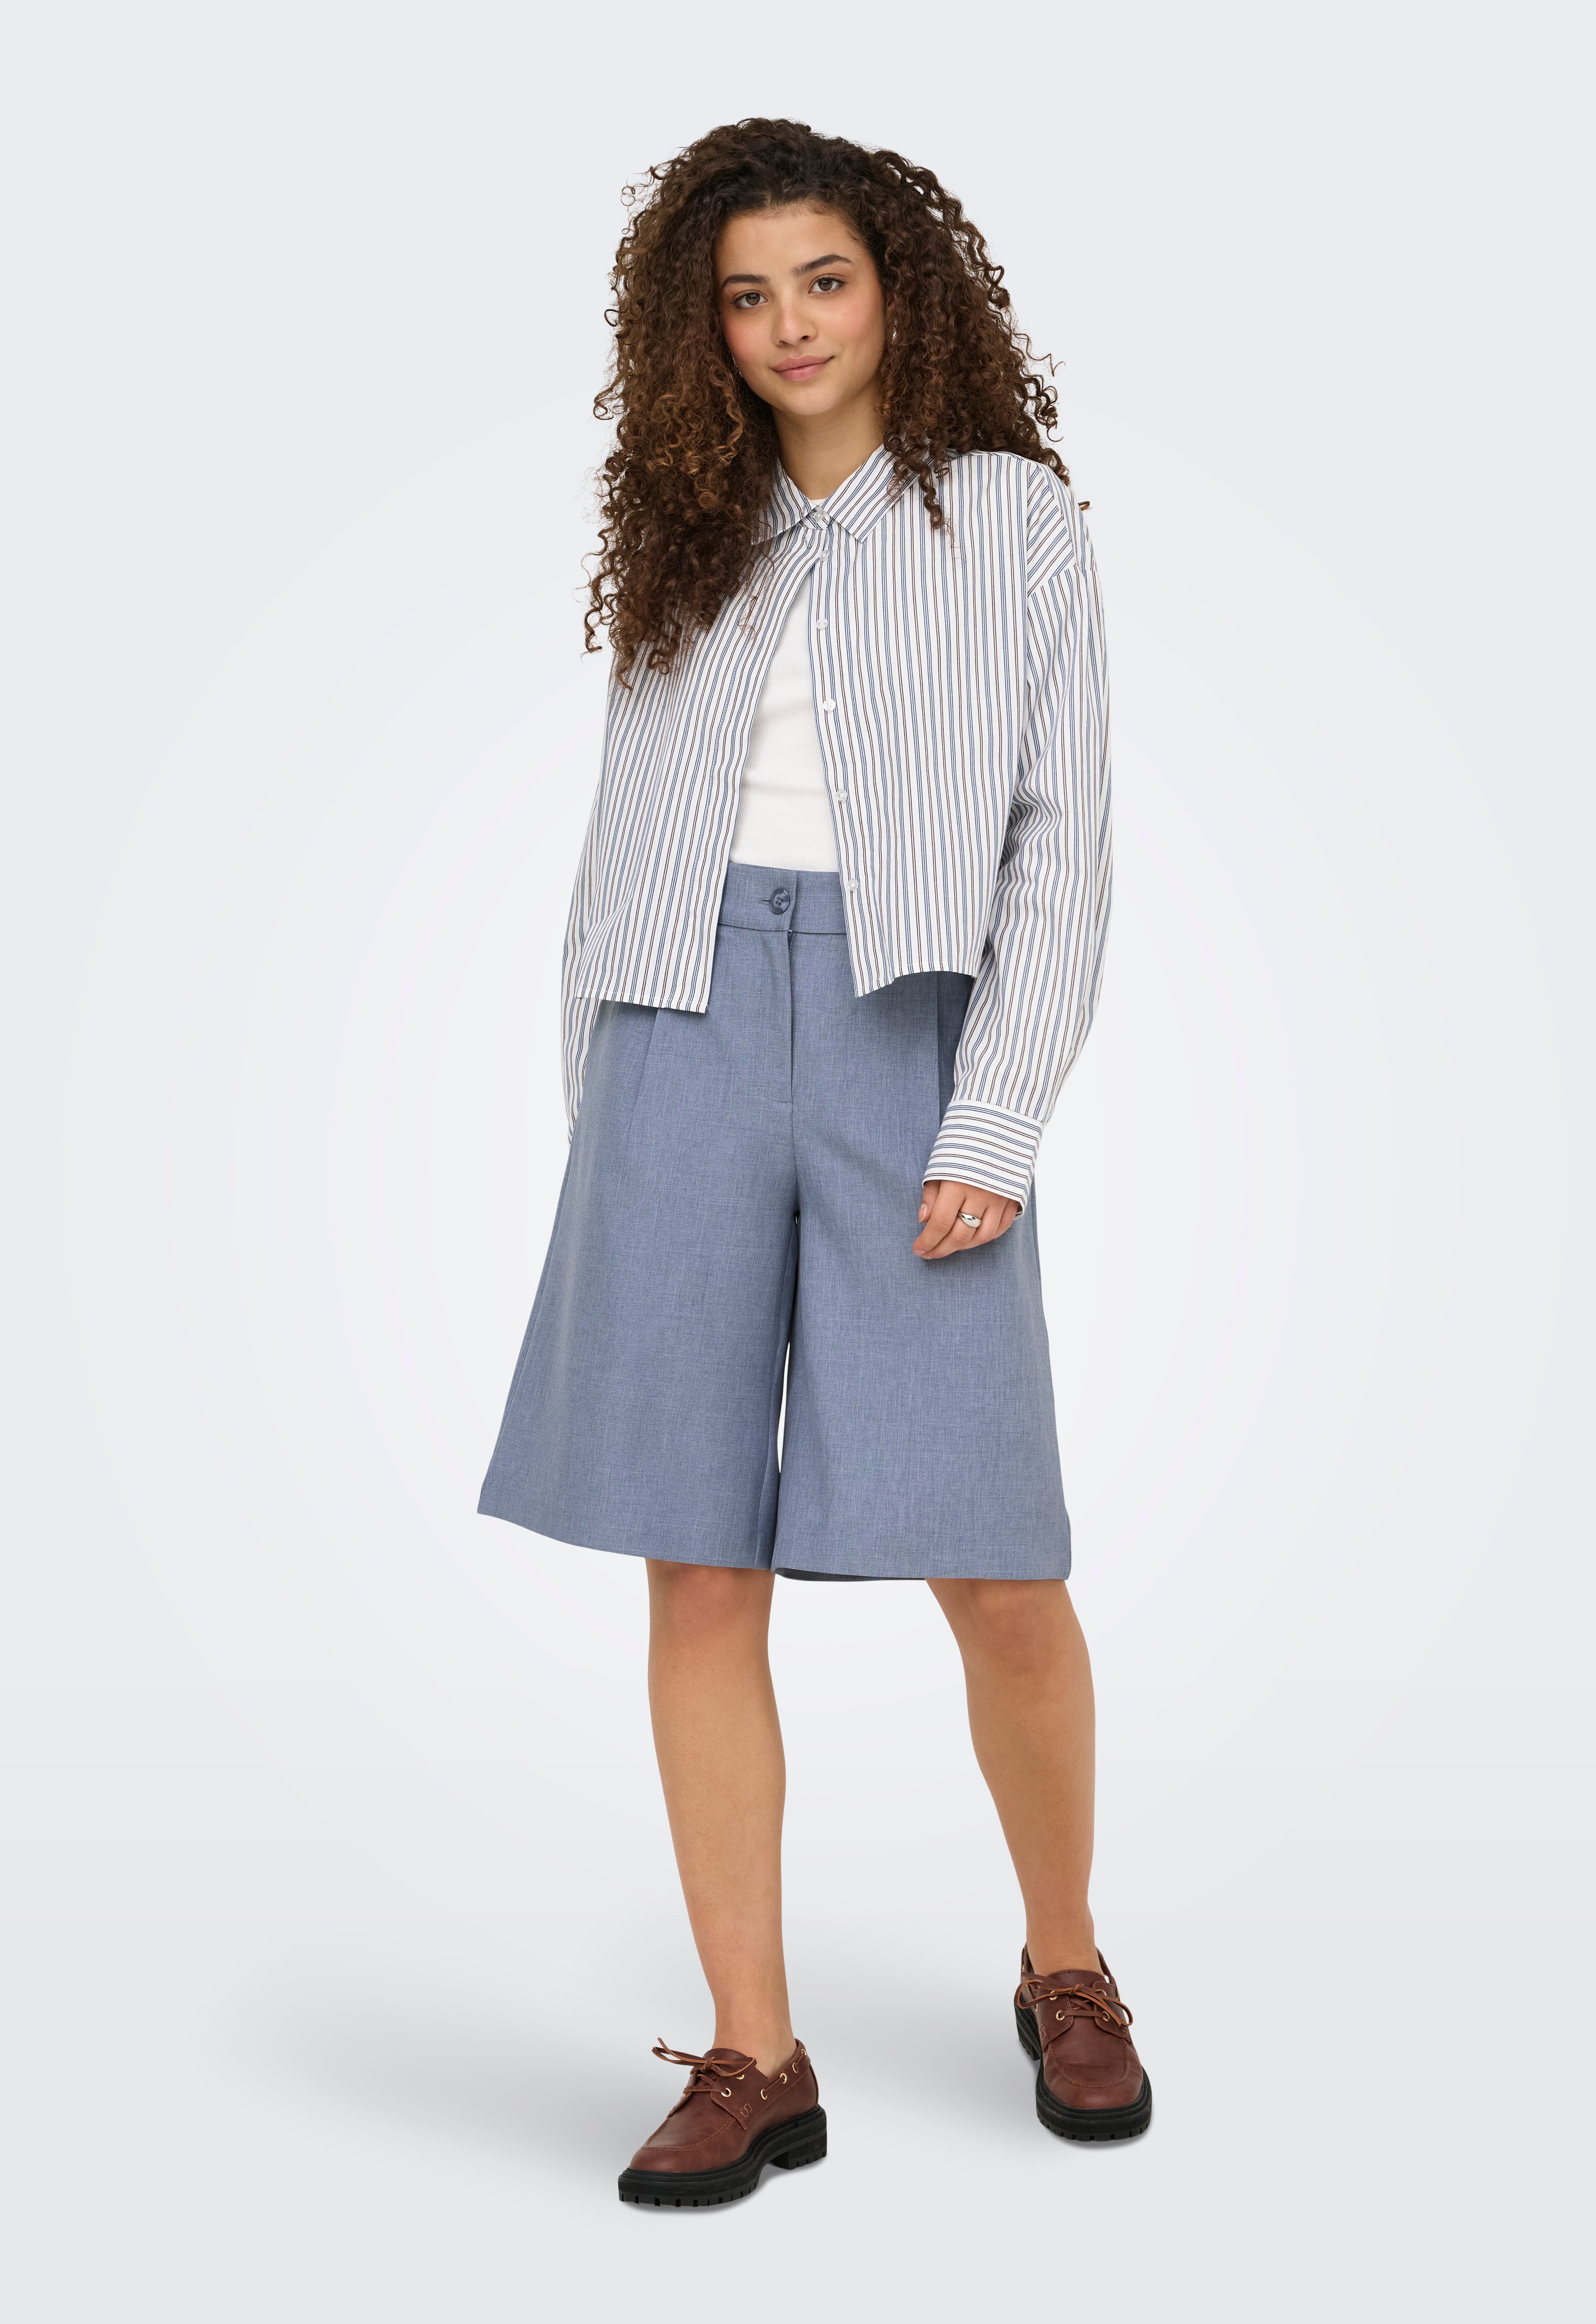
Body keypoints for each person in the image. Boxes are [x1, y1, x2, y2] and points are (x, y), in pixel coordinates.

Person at [479, 117, 1148, 2208]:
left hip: (902, 1029)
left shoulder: (1011, 521)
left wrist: (997, 1112)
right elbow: (625, 827)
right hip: (673, 1030)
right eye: (747, 295)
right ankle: (754, 2052)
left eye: (823, 282)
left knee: (997, 1560)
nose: (787, 326)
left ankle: (1066, 1958)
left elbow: (1063, 847)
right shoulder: (685, 523)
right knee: (697, 1557)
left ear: (899, 288)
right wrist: (603, 1104)